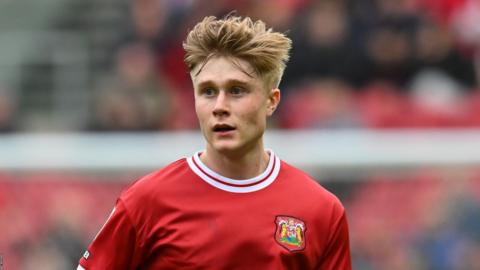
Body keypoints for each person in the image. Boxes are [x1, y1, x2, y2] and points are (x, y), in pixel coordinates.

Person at [78, 15, 352, 270]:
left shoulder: (321, 210)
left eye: (236, 90)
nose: (220, 106)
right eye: (208, 91)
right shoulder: (146, 202)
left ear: (271, 101)